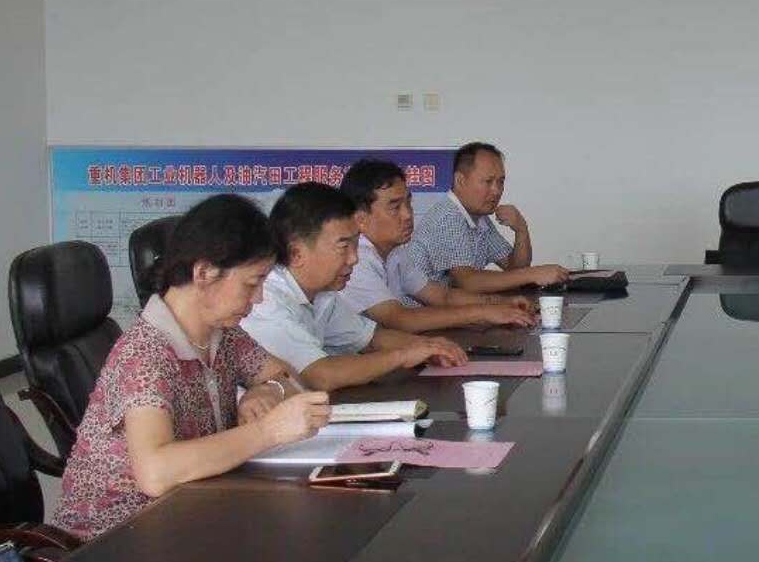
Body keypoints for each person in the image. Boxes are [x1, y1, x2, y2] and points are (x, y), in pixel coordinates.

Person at [52, 195, 331, 540]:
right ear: (203, 273)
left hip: (189, 512)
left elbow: (285, 376)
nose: (258, 298)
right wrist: (267, 431)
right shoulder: (145, 355)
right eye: (251, 283)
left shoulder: (223, 334)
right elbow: (155, 472)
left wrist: (266, 391)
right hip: (116, 539)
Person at [240, 183, 469, 391]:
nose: (354, 259)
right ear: (296, 253)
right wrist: (404, 355)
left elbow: (370, 338)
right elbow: (321, 375)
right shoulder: (266, 300)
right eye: (343, 247)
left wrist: (429, 347)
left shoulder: (323, 294)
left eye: (356, 244)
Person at [336, 158, 535, 334]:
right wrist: (483, 313)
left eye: (408, 204)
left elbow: (442, 296)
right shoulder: (357, 260)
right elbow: (400, 319)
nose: (407, 215)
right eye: (395, 207)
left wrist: (502, 303)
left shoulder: (396, 252)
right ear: (361, 220)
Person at [403, 141, 569, 294]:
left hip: (445, 310)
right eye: (488, 181)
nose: (496, 191)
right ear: (460, 180)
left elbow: (514, 269)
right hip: (415, 314)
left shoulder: (479, 218)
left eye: (500, 182)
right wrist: (532, 274)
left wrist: (521, 229)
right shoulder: (449, 216)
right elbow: (466, 282)